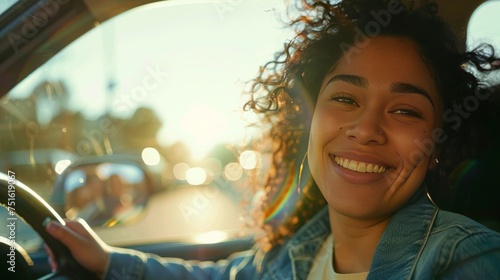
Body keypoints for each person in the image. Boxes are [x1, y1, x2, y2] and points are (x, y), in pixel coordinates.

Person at [44, 0, 500, 279]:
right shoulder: (300, 250)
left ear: (439, 143)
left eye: (405, 110)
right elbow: (222, 278)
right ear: (310, 123)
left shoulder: (464, 259)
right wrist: (107, 261)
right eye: (345, 98)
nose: (365, 129)